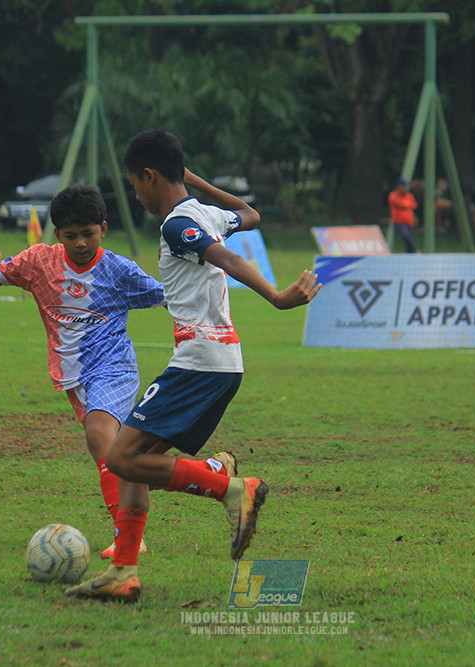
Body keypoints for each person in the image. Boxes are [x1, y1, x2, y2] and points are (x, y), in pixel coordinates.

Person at [65, 129, 320, 603]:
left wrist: (277, 297)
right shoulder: (203, 214)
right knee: (132, 461)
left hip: (199, 361)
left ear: (148, 175)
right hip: (222, 361)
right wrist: (187, 178)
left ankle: (232, 488)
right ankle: (123, 572)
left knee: (119, 457)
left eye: (136, 184)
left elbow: (223, 256)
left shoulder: (176, 226)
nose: (136, 194)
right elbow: (249, 214)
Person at [0, 184, 235, 560]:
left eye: (88, 234)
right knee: (124, 462)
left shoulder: (118, 271)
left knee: (101, 438)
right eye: (71, 235)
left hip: (114, 367)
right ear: (58, 234)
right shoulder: (37, 263)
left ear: (104, 229)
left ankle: (127, 537)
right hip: (73, 377)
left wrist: (207, 326)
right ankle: (212, 472)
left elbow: (170, 297)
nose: (80, 243)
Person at [388, 177, 419, 253]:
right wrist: (408, 204)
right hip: (399, 222)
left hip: (409, 221)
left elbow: (414, 204)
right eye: (404, 186)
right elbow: (401, 203)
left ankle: (409, 255)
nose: (406, 188)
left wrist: (407, 204)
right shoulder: (393, 195)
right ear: (399, 186)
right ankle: (416, 251)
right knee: (406, 236)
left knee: (409, 240)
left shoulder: (408, 195)